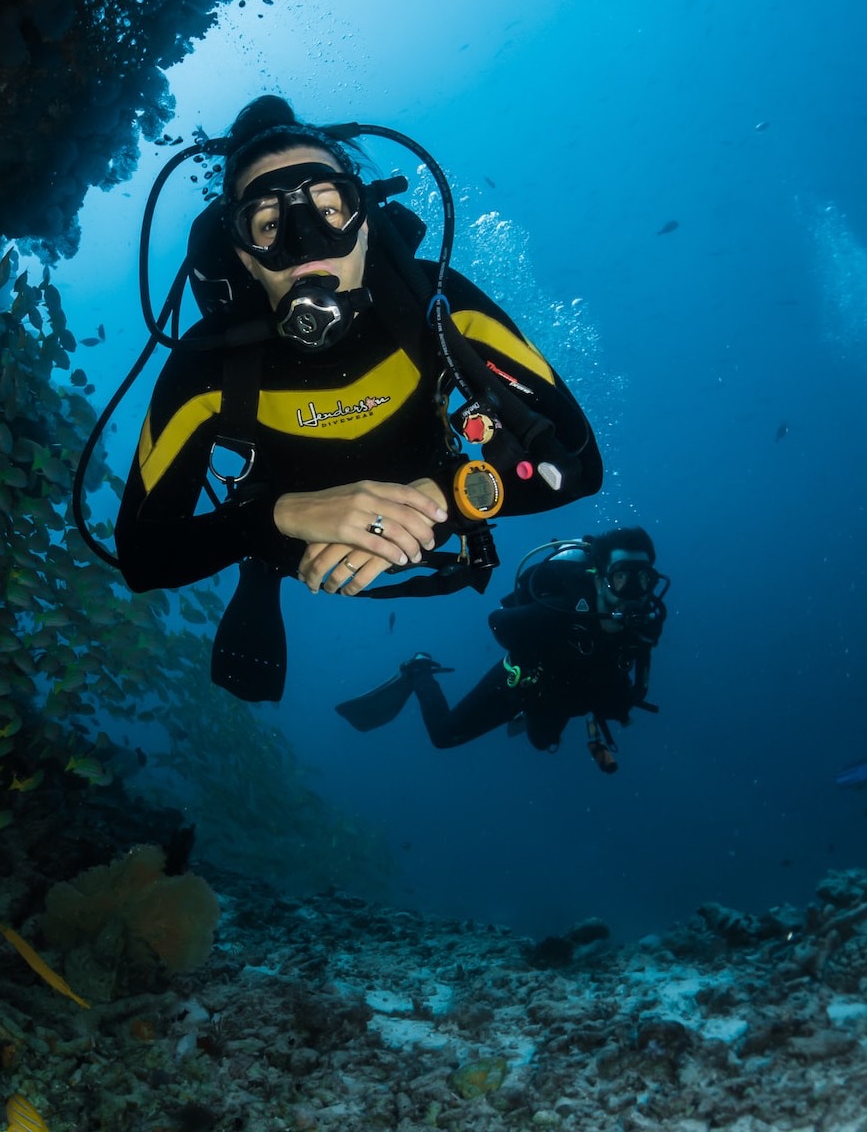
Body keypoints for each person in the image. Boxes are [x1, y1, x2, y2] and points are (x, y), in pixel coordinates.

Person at [112, 96, 602, 699]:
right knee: (261, 551)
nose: (304, 243)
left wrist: (448, 497)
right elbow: (143, 555)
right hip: (284, 539)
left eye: (329, 209)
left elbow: (578, 461)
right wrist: (276, 519)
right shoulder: (207, 363)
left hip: (437, 502)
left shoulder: (440, 307)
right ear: (243, 253)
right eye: (268, 224)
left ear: (365, 221)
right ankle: (262, 569)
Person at [334, 527, 668, 773]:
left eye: (645, 579)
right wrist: (539, 650)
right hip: (523, 684)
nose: (636, 591)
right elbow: (499, 622)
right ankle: (418, 669)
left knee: (541, 742)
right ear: (599, 577)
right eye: (624, 576)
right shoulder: (564, 607)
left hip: (572, 694)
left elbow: (635, 678)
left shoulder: (645, 623)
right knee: (444, 736)